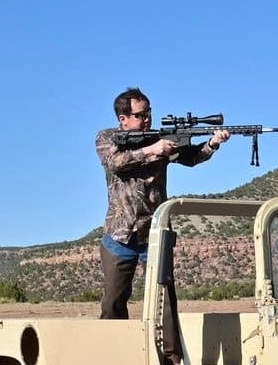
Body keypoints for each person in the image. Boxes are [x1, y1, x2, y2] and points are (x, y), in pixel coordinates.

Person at [96, 87, 230, 323]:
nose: (147, 118)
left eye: (149, 112)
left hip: (155, 233)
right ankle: (112, 354)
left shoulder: (161, 139)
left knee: (165, 302)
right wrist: (152, 150)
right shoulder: (107, 138)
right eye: (140, 114)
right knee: (113, 304)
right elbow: (115, 162)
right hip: (120, 234)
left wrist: (212, 143)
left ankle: (170, 358)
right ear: (123, 119)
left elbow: (191, 157)